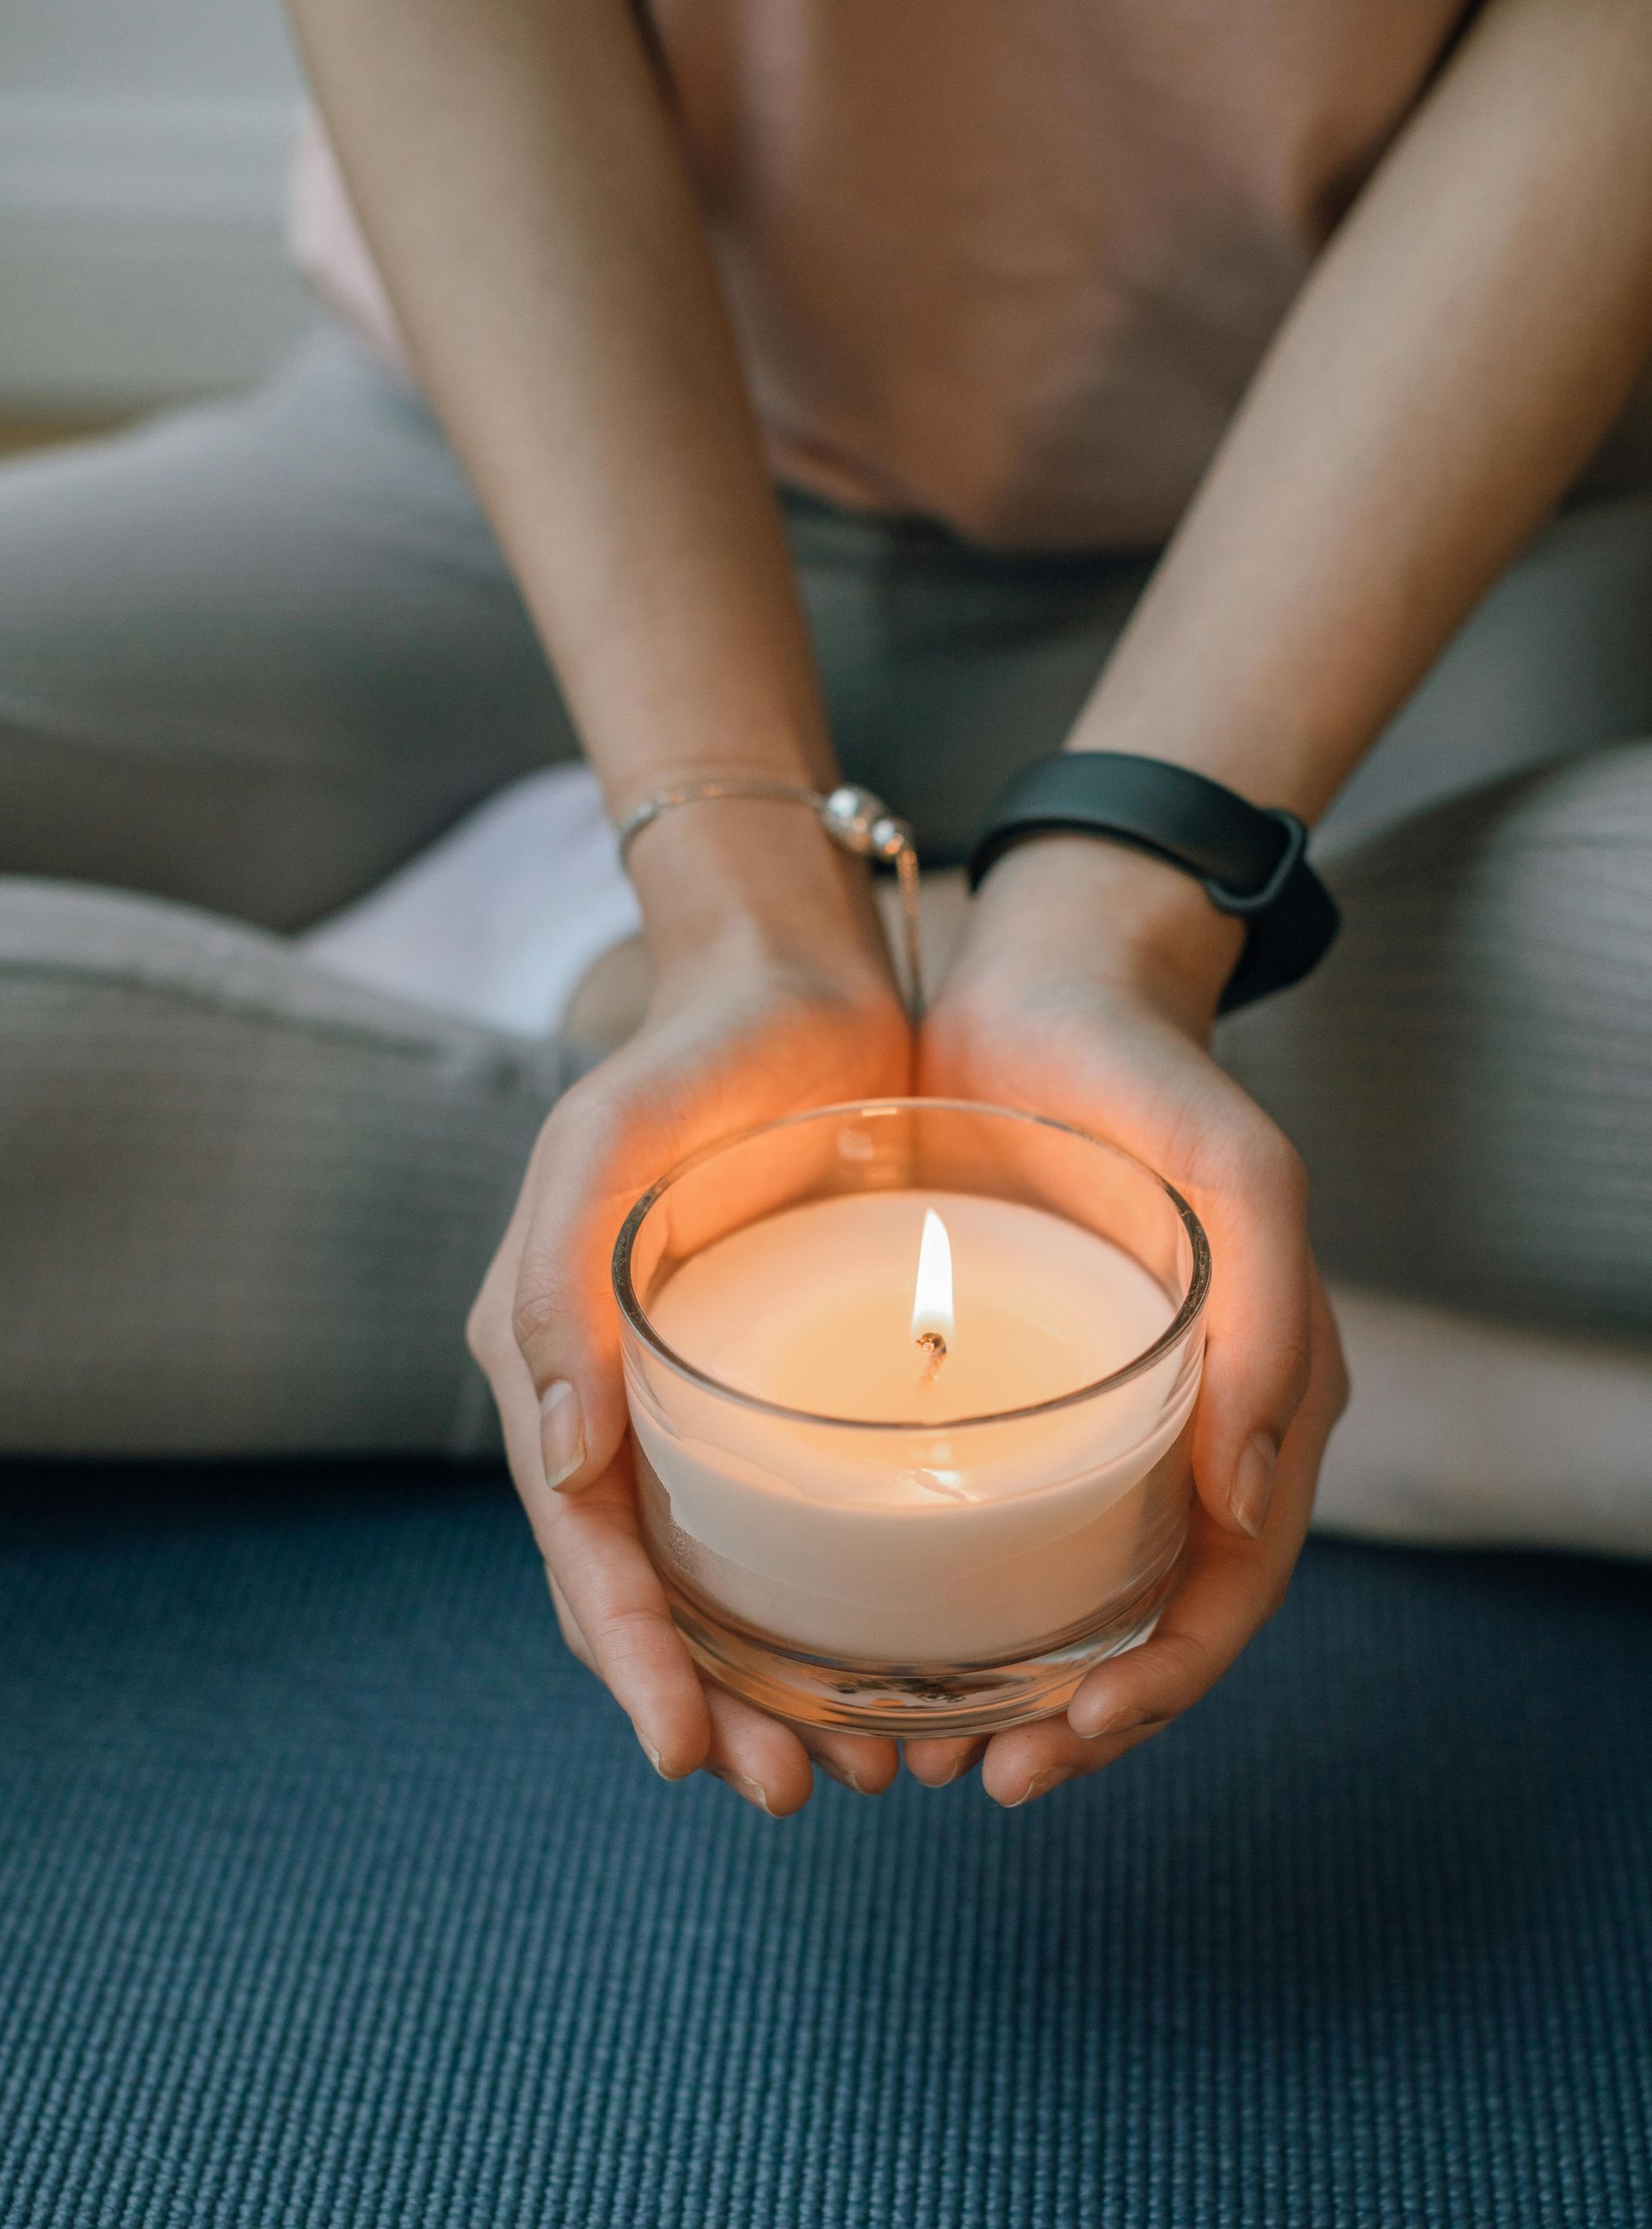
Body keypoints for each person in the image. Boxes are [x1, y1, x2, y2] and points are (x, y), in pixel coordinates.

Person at [2, 0, 1649, 1812]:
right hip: (539, 483)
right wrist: (737, 907)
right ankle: (662, 1172)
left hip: (1396, 554)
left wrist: (1125, 923)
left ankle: (616, 1156)